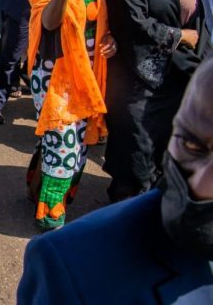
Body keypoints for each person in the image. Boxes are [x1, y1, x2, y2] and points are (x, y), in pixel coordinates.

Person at [17, 58, 213, 304]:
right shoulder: (70, 267)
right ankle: (49, 213)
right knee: (62, 153)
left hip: (87, 87)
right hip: (63, 88)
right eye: (191, 145)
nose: (202, 184)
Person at [104, 0, 209, 203]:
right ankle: (125, 215)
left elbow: (197, 16)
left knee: (170, 148)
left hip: (180, 74)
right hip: (140, 80)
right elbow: (136, 25)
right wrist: (180, 37)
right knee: (137, 152)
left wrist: (197, 51)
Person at [25, 0, 115, 230]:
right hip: (54, 74)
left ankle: (44, 189)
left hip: (88, 73)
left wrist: (110, 39)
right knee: (62, 142)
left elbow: (105, 21)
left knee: (79, 141)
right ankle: (49, 212)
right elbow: (49, 22)